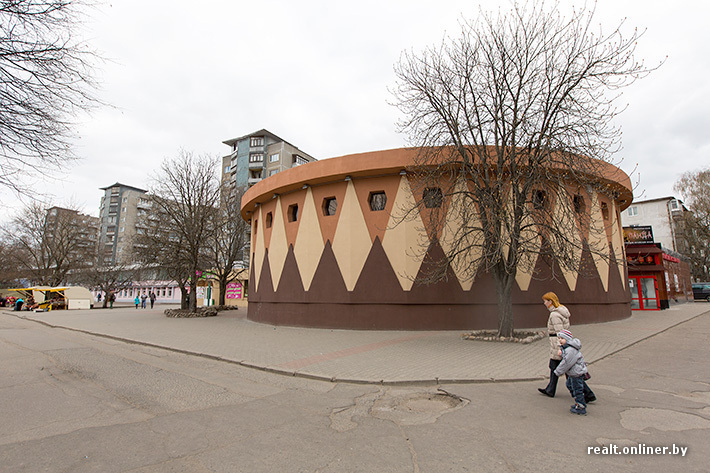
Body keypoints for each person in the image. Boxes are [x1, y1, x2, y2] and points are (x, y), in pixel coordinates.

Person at [538, 292, 596, 403]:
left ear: (550, 302)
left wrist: (561, 348)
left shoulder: (555, 315)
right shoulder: (562, 311)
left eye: (545, 301)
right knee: (554, 367)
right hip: (560, 344)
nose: (544, 303)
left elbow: (560, 333)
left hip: (557, 344)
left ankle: (588, 393)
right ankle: (550, 389)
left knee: (568, 370)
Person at [554, 329, 592, 415]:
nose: (560, 340)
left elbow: (567, 362)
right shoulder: (568, 348)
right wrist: (562, 354)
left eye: (562, 338)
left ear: (567, 339)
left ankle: (581, 406)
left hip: (576, 373)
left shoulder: (570, 350)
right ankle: (578, 403)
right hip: (574, 373)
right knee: (569, 385)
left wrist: (557, 372)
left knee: (577, 389)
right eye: (559, 338)